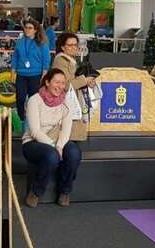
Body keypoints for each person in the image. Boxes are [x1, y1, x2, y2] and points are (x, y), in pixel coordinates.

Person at [22, 69, 82, 208]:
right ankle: (36, 191)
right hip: (33, 142)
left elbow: (66, 128)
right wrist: (54, 146)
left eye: (63, 83)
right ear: (47, 82)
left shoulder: (66, 101)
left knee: (74, 152)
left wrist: (60, 145)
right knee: (52, 155)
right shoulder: (34, 100)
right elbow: (35, 131)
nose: (60, 86)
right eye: (56, 82)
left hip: (56, 141)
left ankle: (65, 191)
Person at [52, 32, 96, 142]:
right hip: (66, 103)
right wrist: (84, 80)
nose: (74, 47)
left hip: (74, 102)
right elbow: (64, 85)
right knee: (67, 140)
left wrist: (88, 82)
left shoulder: (72, 60)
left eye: (75, 45)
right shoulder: (60, 61)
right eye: (70, 45)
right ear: (62, 47)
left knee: (71, 140)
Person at [12, 19, 51, 122]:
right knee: (20, 98)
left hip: (36, 75)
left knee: (33, 100)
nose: (27, 30)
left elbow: (46, 59)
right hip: (21, 75)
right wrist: (13, 71)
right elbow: (15, 57)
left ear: (35, 30)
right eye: (26, 28)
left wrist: (44, 75)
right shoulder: (19, 42)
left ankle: (34, 120)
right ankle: (20, 120)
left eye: (30, 28)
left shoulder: (42, 43)